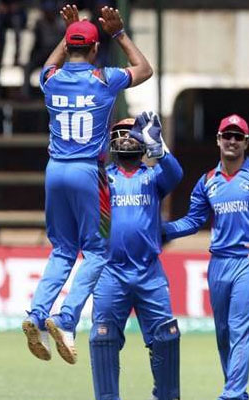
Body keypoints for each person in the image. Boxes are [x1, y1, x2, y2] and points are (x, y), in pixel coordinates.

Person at [21, 4, 153, 365]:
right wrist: (119, 33)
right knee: (97, 251)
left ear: (69, 46)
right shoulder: (104, 78)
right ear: (95, 49)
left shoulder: (51, 79)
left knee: (62, 249)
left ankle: (37, 314)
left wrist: (68, 34)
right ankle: (66, 320)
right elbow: (145, 69)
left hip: (55, 171)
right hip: (88, 173)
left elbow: (49, 64)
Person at [163, 114, 249, 400]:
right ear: (218, 139)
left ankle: (232, 394)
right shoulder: (207, 181)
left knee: (239, 330)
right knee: (223, 333)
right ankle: (236, 392)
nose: (232, 141)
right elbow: (193, 220)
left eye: (238, 137)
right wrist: (161, 230)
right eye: (227, 135)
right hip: (218, 263)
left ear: (246, 142)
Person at [90, 114, 182, 400]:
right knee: (103, 337)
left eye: (133, 133)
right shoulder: (103, 177)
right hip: (110, 271)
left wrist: (158, 147)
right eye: (121, 133)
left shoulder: (153, 177)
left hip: (149, 271)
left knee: (166, 336)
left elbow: (176, 174)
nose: (128, 138)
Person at [22, 0, 65, 96]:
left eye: (50, 11)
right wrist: (32, 56)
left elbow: (63, 44)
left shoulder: (60, 23)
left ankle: (59, 94)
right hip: (42, 53)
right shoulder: (39, 23)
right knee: (28, 67)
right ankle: (26, 95)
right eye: (47, 11)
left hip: (57, 54)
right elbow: (36, 42)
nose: (48, 14)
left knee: (61, 70)